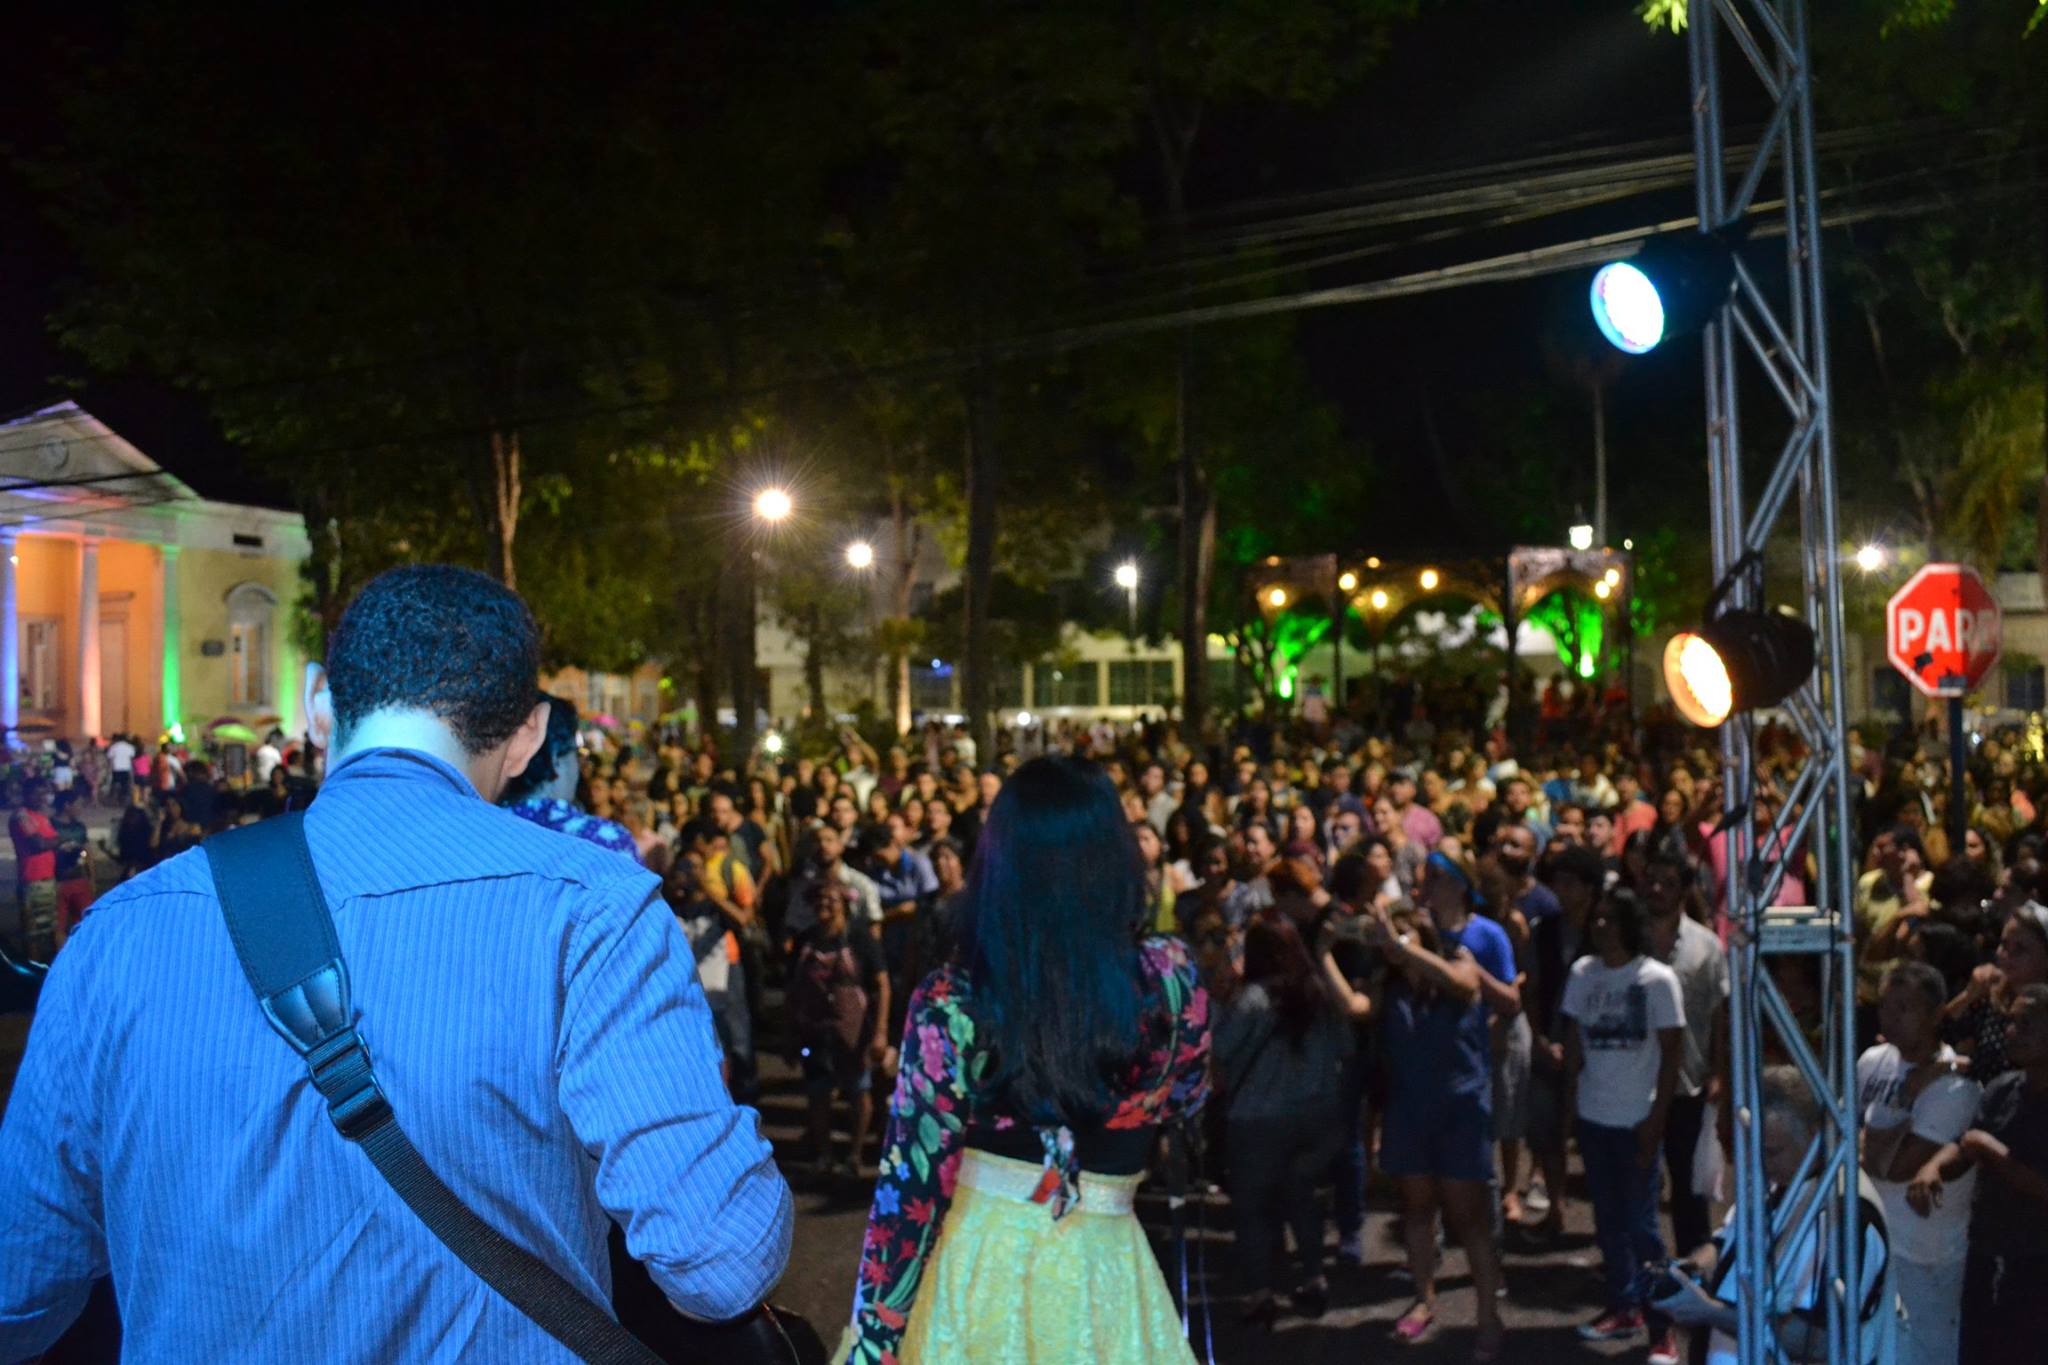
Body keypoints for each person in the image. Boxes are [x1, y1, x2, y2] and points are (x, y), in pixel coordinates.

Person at [0, 564, 791, 1360]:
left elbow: (19, 1290)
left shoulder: (119, 934)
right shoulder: (589, 910)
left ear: (318, 704)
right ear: (527, 735)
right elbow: (718, 1262)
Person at [836, 756, 1210, 1365]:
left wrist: (871, 1345)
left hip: (978, 1277)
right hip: (1108, 1268)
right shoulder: (1172, 977)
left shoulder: (953, 1001)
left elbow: (911, 1188)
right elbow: (1187, 1096)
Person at [1657, 1066, 1895, 1365]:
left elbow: (1818, 1341)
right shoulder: (1780, 1180)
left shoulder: (1847, 1214)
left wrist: (1710, 1312)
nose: (1759, 1161)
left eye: (1771, 1151)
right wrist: (1690, 1268)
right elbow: (1727, 1240)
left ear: (1814, 1135)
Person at [1367, 884, 1504, 1359]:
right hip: (1409, 1111)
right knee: (1418, 1211)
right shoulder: (1393, 987)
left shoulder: (1458, 965)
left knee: (1470, 1218)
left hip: (1460, 1110)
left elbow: (1468, 986)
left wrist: (1404, 947)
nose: (1395, 950)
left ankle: (1488, 1316)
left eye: (1404, 939)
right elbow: (1356, 1010)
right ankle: (1424, 1299)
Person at [1214, 914, 1366, 1327]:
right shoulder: (1317, 992)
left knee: (1254, 1207)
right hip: (1316, 1115)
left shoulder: (1252, 1000)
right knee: (1302, 1195)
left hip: (1258, 1119)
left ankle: (1261, 1290)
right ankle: (1314, 1276)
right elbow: (1346, 1048)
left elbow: (1222, 1049)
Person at [1564, 887, 1685, 1360]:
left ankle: (1663, 1327)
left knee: (1643, 1227)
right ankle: (1623, 1306)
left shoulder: (1657, 980)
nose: (1600, 927)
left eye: (1610, 919)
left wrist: (1657, 1119)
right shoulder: (1582, 974)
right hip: (1595, 1117)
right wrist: (1570, 1111)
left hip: (1636, 1119)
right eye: (1596, 919)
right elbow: (1573, 1042)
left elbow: (1673, 1053)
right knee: (1609, 1222)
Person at [1858, 961, 1977, 1365]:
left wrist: (1871, 1139)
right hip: (1872, 1242)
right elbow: (1844, 1144)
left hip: (1924, 1253)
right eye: (1885, 1007)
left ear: (1935, 1014)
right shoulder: (1870, 1061)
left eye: (1904, 1008)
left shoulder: (1954, 1087)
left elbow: (1896, 1165)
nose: (1890, 1018)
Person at [1644, 850, 1730, 1263]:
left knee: (1688, 1186)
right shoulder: (1629, 939)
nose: (1657, 889)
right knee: (1636, 1181)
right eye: (1651, 880)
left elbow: (1721, 1013)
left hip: (1687, 1082)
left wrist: (1719, 1073)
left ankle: (1694, 1271)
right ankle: (1640, 1269)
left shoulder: (1707, 946)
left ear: (1684, 889)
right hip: (1633, 1082)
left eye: (1667, 882)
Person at [791, 880, 891, 1178]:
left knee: (858, 1090)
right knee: (818, 1091)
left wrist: (880, 1032)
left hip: (854, 1029)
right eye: (819, 899)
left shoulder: (861, 938)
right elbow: (791, 988)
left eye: (831, 899)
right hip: (815, 1028)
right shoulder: (805, 941)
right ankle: (824, 1154)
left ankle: (855, 1154)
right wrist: (790, 1031)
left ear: (845, 904)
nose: (825, 905)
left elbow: (882, 985)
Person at [501, 692, 641, 860]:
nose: (578, 767)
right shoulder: (605, 841)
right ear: (555, 759)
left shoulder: (478, 830)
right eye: (575, 754)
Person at [8, 777, 60, 963]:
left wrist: (54, 841)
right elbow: (38, 844)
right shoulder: (22, 816)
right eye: (36, 793)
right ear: (26, 794)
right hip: (32, 881)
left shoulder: (41, 817)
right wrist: (58, 840)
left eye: (43, 793)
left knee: (52, 928)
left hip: (47, 879)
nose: (41, 797)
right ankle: (34, 972)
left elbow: (50, 842)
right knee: (33, 934)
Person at [50, 786, 95, 948]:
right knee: (58, 926)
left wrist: (91, 878)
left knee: (85, 923)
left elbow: (88, 852)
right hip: (59, 881)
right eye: (78, 804)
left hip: (79, 880)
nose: (80, 808)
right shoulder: (51, 825)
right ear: (67, 805)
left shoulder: (79, 827)